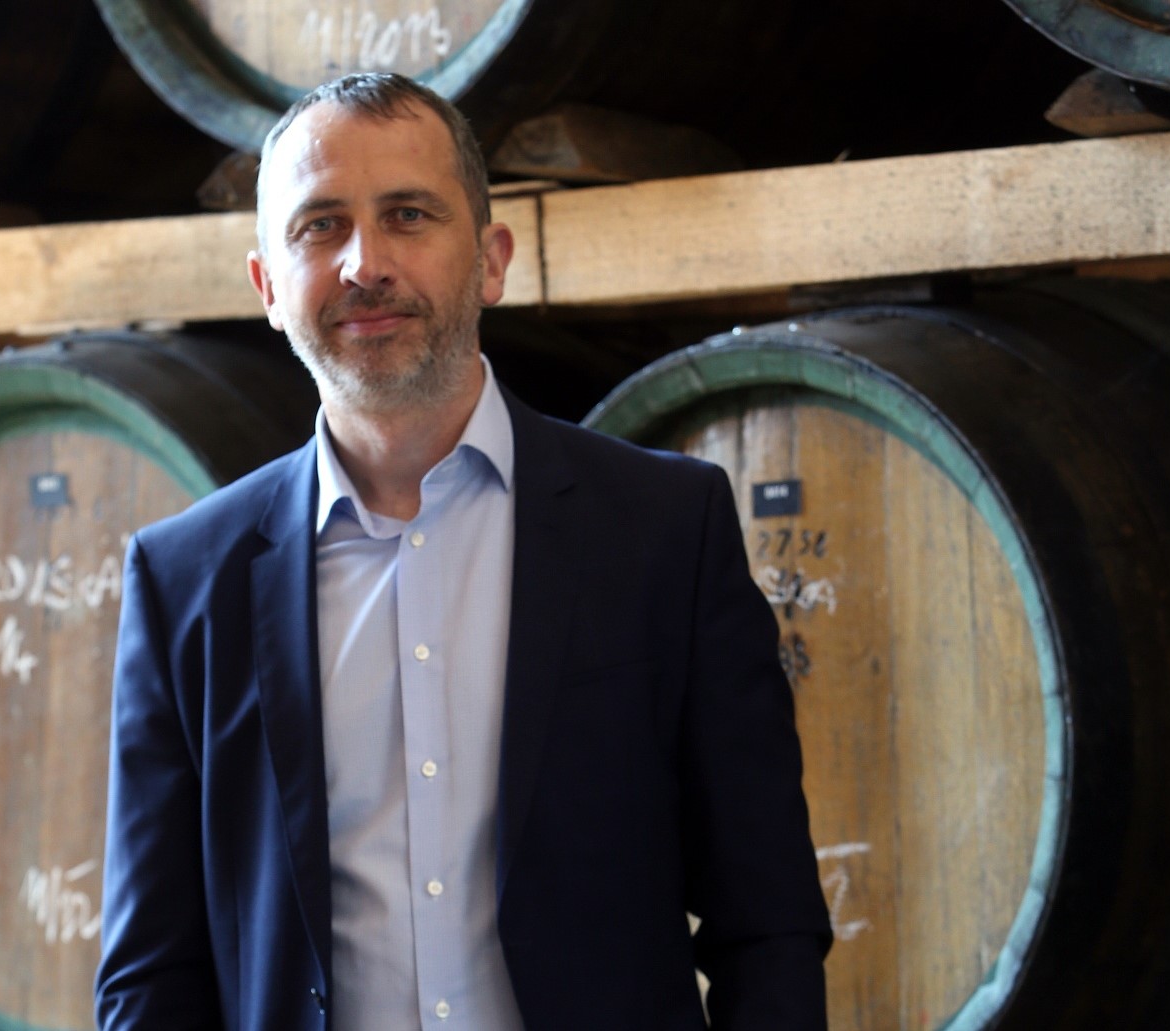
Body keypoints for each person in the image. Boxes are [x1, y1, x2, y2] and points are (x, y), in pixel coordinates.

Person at [94, 72, 831, 1031]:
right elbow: (150, 972)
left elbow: (766, 920)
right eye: (320, 226)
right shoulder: (185, 578)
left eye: (408, 215)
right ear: (268, 286)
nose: (365, 263)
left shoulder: (664, 528)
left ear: (491, 260)